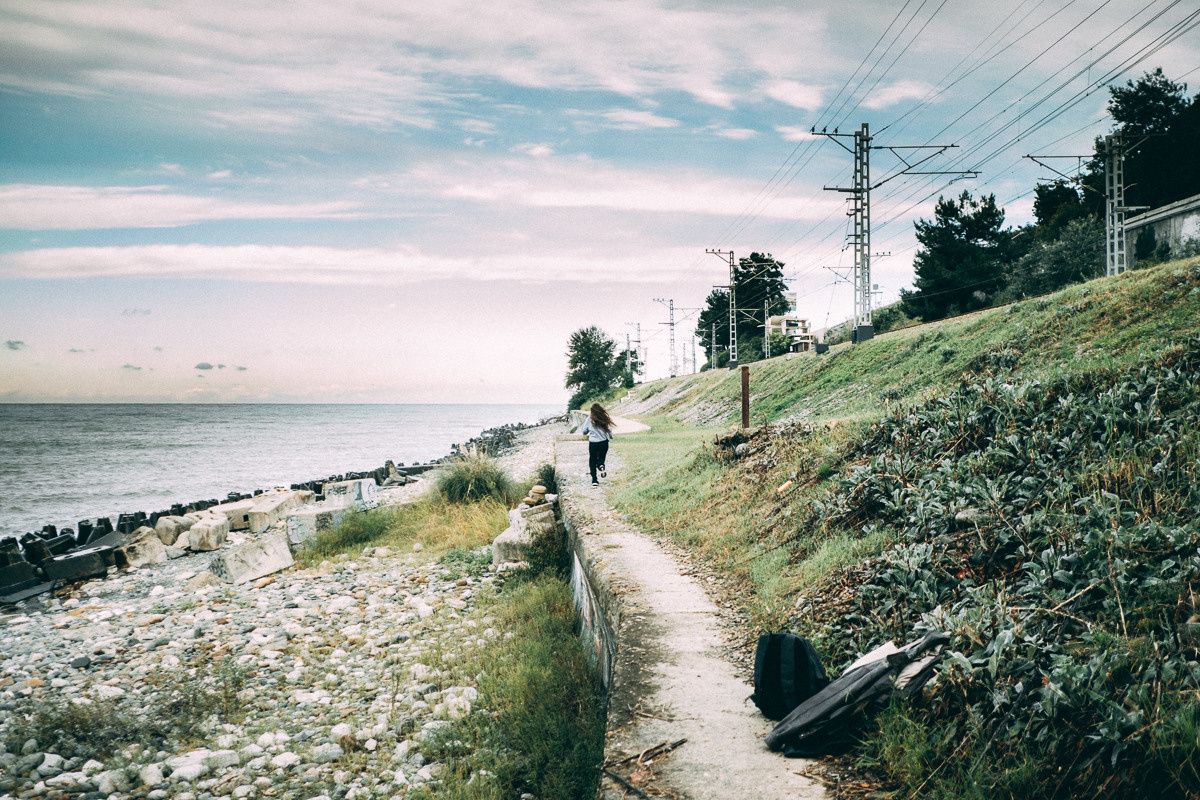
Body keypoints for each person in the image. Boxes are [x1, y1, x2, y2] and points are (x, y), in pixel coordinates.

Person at [580, 403, 615, 487]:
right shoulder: (604, 418)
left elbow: (584, 431)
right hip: (604, 442)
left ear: (592, 411)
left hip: (593, 443)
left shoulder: (590, 419)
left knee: (592, 460)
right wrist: (611, 437)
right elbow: (609, 430)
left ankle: (594, 480)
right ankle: (601, 465)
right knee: (601, 458)